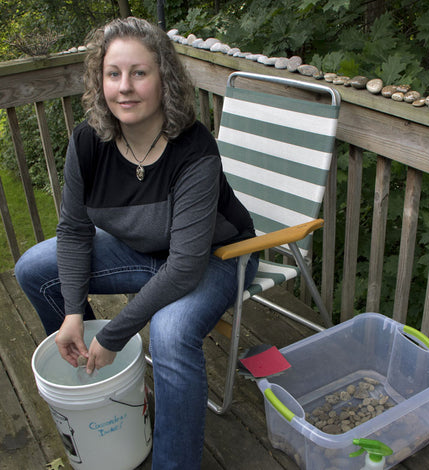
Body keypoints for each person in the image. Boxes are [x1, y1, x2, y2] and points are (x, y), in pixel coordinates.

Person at [15, 17, 258, 470]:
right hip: (143, 253)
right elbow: (73, 231)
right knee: (34, 268)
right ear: (99, 80)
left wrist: (115, 332)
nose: (124, 87)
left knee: (169, 334)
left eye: (139, 73)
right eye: (113, 74)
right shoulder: (88, 142)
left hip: (217, 258)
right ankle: (95, 368)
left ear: (164, 79)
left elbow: (185, 267)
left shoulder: (194, 150)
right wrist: (73, 313)